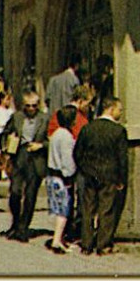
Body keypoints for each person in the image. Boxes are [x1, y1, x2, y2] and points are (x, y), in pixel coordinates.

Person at [74, 97, 129, 254]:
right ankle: (103, 244)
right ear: (111, 109)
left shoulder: (87, 128)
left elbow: (78, 153)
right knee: (107, 209)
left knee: (88, 209)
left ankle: (86, 244)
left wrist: (85, 169)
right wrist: (121, 179)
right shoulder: (118, 131)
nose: (120, 113)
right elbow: (122, 159)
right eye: (119, 109)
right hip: (109, 175)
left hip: (90, 174)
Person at [3, 91, 49, 242]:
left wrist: (41, 145)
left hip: (36, 159)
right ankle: (15, 223)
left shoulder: (44, 118)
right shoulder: (17, 117)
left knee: (30, 195)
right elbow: (5, 133)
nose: (31, 109)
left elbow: (51, 140)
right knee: (15, 192)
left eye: (34, 106)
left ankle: (23, 228)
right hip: (19, 156)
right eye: (28, 106)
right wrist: (10, 142)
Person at [44, 105, 78, 253]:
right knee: (63, 210)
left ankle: (59, 239)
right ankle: (57, 240)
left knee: (58, 209)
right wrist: (70, 175)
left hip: (52, 174)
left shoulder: (56, 134)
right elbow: (67, 160)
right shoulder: (66, 137)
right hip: (62, 177)